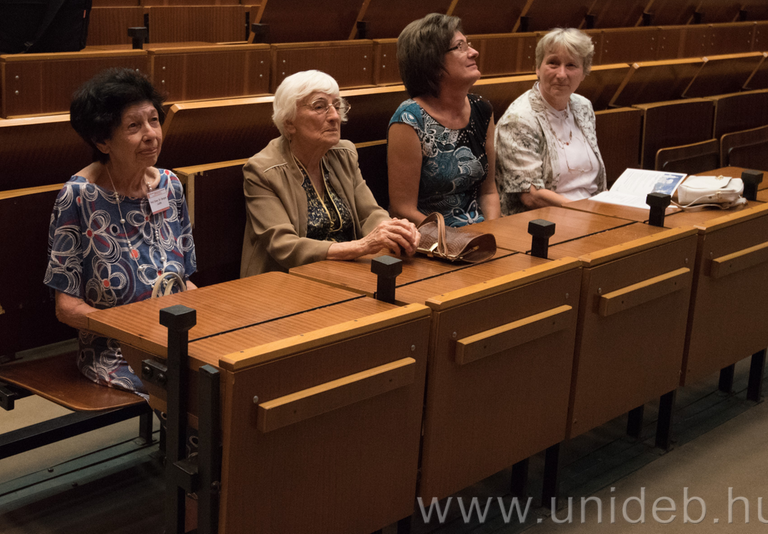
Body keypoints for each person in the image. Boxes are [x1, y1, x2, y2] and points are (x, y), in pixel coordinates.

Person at [44, 68, 197, 397]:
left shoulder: (169, 185)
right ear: (103, 141)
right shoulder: (79, 197)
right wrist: (133, 328)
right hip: (116, 350)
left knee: (235, 370)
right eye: (134, 126)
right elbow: (66, 308)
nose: (151, 134)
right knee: (201, 390)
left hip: (173, 337)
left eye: (153, 120)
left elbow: (185, 280)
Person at [240, 70, 420, 276]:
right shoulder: (262, 171)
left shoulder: (344, 154)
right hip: (286, 279)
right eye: (319, 107)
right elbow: (284, 245)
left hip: (345, 270)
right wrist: (361, 246)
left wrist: (392, 230)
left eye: (337, 106)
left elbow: (369, 213)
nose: (335, 116)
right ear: (289, 122)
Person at [387, 13, 501, 227]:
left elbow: (489, 192)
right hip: (431, 235)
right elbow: (403, 210)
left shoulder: (482, 109)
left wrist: (492, 232)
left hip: (480, 230)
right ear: (433, 63)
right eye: (460, 47)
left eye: (468, 44)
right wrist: (455, 239)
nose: (474, 52)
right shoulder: (409, 119)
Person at [494, 27, 607, 214]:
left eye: (571, 65)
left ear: (584, 73)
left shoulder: (583, 106)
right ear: (538, 68)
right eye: (553, 63)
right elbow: (531, 196)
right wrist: (586, 211)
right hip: (544, 219)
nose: (561, 74)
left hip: (590, 211)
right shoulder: (518, 120)